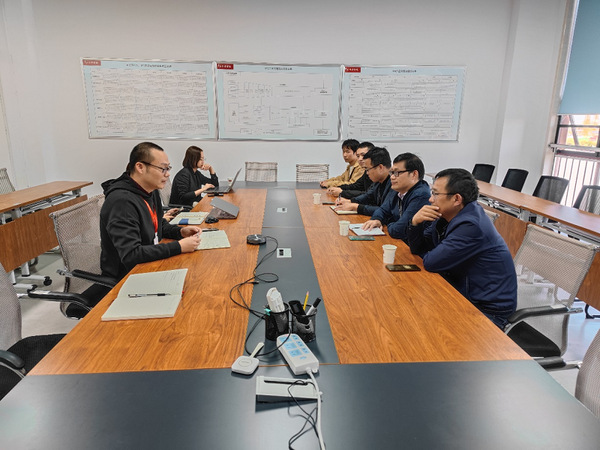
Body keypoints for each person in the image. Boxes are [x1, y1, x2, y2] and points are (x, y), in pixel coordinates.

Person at [407, 168, 517, 328]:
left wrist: (430, 252)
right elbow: (419, 248)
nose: (430, 199)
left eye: (435, 194)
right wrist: (415, 222)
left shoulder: (471, 226)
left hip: (486, 312)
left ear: (457, 199)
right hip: (461, 292)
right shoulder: (447, 216)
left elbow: (431, 262)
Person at [100, 142, 202, 283]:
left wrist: (180, 232)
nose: (168, 174)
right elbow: (131, 255)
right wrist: (178, 247)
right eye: (163, 169)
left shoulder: (150, 191)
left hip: (150, 264)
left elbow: (158, 224)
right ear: (140, 167)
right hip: (127, 278)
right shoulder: (121, 202)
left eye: (168, 168)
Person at [362, 153, 431, 241]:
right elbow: (382, 210)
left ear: (414, 174)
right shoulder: (398, 189)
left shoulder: (421, 195)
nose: (392, 177)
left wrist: (387, 223)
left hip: (411, 245)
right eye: (391, 172)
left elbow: (399, 230)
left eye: (396, 173)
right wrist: (377, 220)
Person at [334, 147, 392, 216]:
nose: (367, 173)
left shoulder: (394, 183)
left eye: (368, 169)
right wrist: (350, 201)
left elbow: (385, 210)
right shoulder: (378, 182)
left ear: (380, 167)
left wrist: (356, 207)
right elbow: (368, 196)